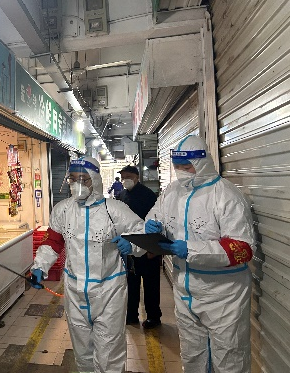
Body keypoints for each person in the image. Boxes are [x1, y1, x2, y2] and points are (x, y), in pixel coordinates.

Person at [145, 135, 255, 373]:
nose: (182, 172)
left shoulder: (226, 195)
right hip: (185, 291)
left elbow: (243, 249)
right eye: (177, 167)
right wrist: (152, 225)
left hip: (224, 296)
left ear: (203, 163)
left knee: (229, 359)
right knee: (192, 356)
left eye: (187, 167)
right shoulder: (172, 191)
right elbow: (157, 214)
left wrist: (192, 250)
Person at [30, 156, 146, 373]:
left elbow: (142, 233)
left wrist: (131, 244)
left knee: (109, 355)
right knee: (83, 354)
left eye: (84, 179)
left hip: (109, 291)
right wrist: (40, 266)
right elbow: (53, 242)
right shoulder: (63, 210)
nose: (78, 184)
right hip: (75, 292)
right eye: (73, 179)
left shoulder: (115, 210)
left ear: (95, 180)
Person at [117, 165, 161, 329]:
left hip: (148, 247)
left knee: (151, 284)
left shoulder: (148, 195)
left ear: (137, 177)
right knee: (131, 283)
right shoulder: (121, 195)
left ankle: (153, 317)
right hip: (129, 247)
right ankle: (131, 315)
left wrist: (153, 248)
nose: (125, 180)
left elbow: (157, 221)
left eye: (128, 177)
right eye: (123, 177)